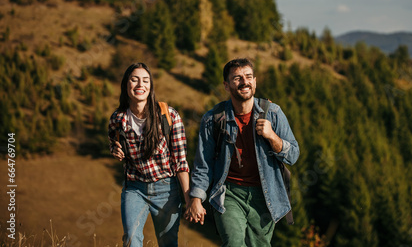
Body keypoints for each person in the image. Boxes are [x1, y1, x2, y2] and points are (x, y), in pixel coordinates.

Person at [186, 58, 299, 246]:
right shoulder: (212, 119)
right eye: (237, 78)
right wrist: (196, 198)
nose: (244, 82)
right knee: (233, 243)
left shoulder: (273, 113)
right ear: (226, 85)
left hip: (265, 195)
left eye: (248, 77)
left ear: (254, 81)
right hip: (228, 193)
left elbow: (293, 155)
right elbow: (203, 164)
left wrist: (272, 136)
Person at [108, 62, 190, 247]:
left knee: (167, 242)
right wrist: (115, 149)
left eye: (145, 80)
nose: (140, 85)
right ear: (126, 84)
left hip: (166, 190)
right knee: (130, 239)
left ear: (150, 86)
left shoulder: (169, 116)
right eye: (134, 80)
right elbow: (113, 139)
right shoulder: (118, 118)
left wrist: (189, 199)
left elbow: (181, 161)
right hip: (134, 188)